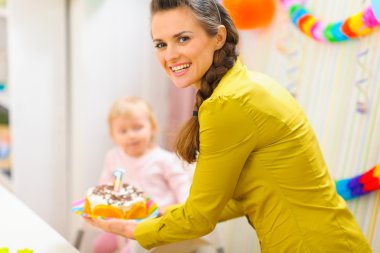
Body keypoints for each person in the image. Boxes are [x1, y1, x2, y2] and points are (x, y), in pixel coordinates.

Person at [85, 1, 372, 252]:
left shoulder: (227, 104)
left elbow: (199, 218)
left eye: (183, 39)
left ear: (218, 37)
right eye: (161, 44)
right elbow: (236, 199)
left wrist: (131, 230)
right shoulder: (245, 86)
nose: (170, 55)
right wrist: (158, 212)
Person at [92, 96, 193, 253]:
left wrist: (181, 214)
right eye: (123, 131)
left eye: (138, 127)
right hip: (124, 218)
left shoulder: (164, 159)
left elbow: (183, 188)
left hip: (157, 222)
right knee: (100, 246)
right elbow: (105, 186)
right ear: (113, 135)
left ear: (152, 127)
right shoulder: (113, 156)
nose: (131, 135)